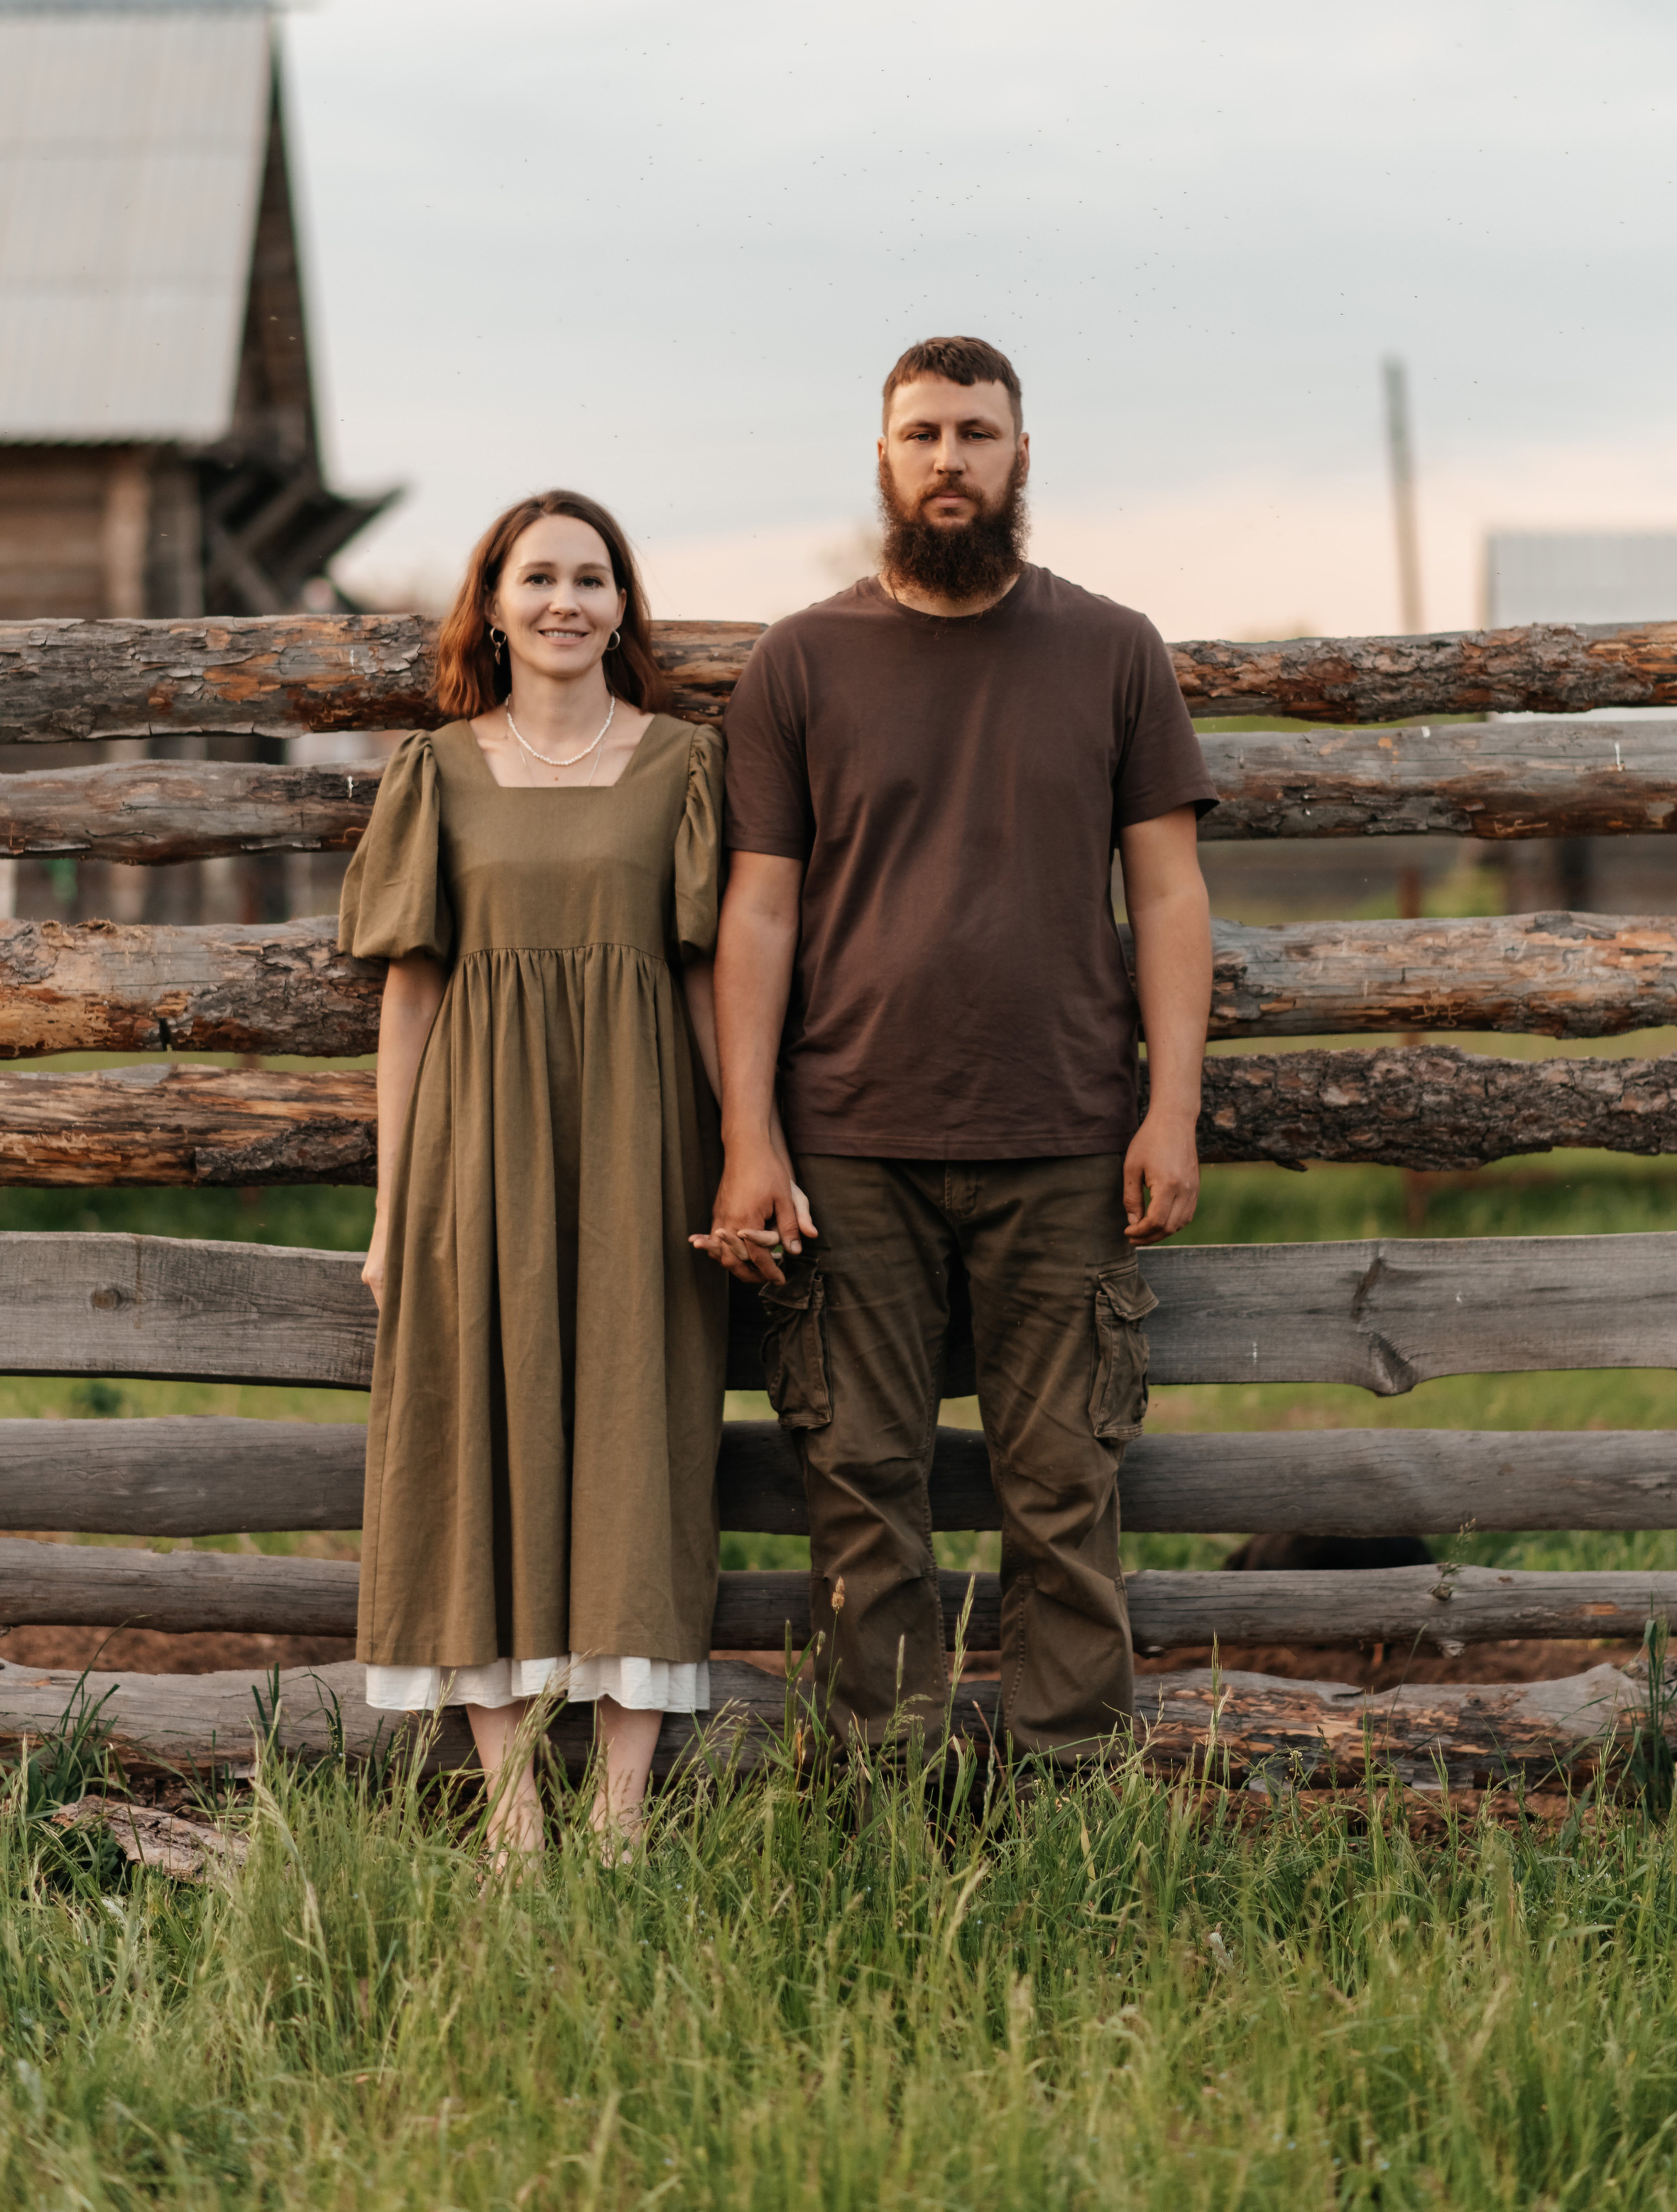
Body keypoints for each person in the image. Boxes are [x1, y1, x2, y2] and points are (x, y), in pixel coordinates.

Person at [701, 337, 1216, 1758]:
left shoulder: (1110, 650)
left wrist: (1169, 1110)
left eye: (975, 433)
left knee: (1061, 1487)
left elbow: (1168, 894)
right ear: (881, 457)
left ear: (1019, 457)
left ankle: (1064, 1800)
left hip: (1062, 1137)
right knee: (860, 1486)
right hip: (847, 1141)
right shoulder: (801, 662)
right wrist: (750, 1137)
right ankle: (889, 1803)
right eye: (920, 433)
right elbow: (755, 912)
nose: (948, 458)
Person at [339, 489, 798, 1859]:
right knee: (473, 1435)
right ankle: (515, 1817)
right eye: (537, 577)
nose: (565, 602)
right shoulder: (436, 771)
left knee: (635, 1434)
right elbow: (411, 1000)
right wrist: (392, 1204)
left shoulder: (682, 766)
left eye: (592, 579)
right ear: (491, 603)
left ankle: (618, 1817)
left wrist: (745, 1151)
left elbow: (718, 976)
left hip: (641, 1147)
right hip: (474, 1154)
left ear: (622, 607)